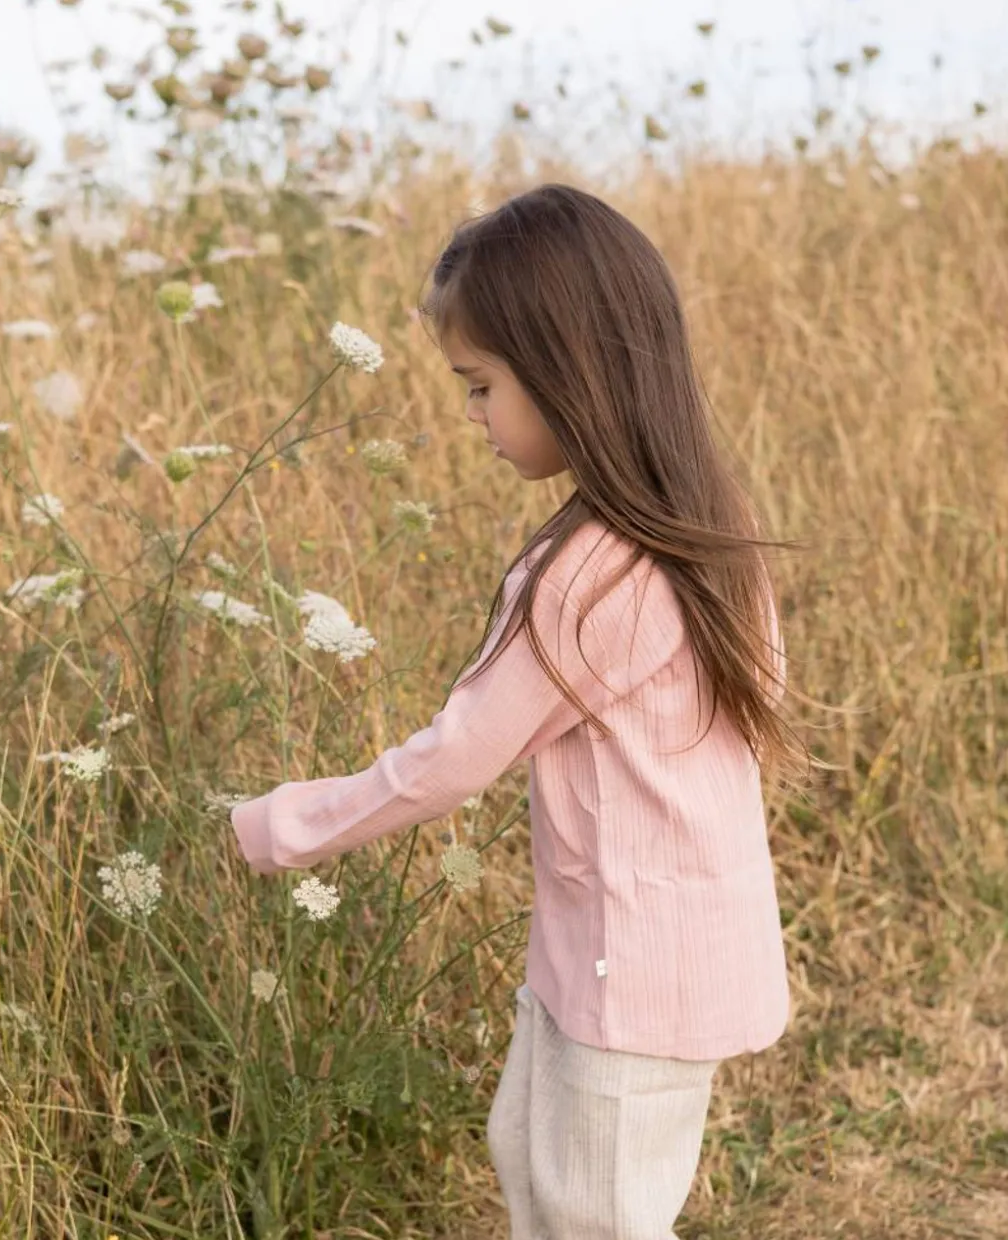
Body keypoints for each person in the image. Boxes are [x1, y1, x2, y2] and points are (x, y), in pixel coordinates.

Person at [231, 183, 811, 1239]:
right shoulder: (700, 526)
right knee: (535, 1162)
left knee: (597, 1211)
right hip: (622, 949)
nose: (471, 415)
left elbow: (452, 761)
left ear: (565, 372)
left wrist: (278, 823)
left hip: (630, 969)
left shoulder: (588, 575)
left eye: (479, 384)